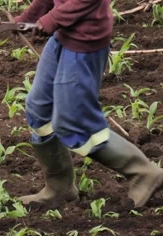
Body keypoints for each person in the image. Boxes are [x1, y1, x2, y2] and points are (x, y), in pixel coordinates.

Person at [13, 0, 163, 207]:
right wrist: (28, 18)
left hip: (85, 42)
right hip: (62, 36)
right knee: (40, 108)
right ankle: (59, 188)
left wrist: (51, 19)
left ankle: (143, 172)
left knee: (73, 121)